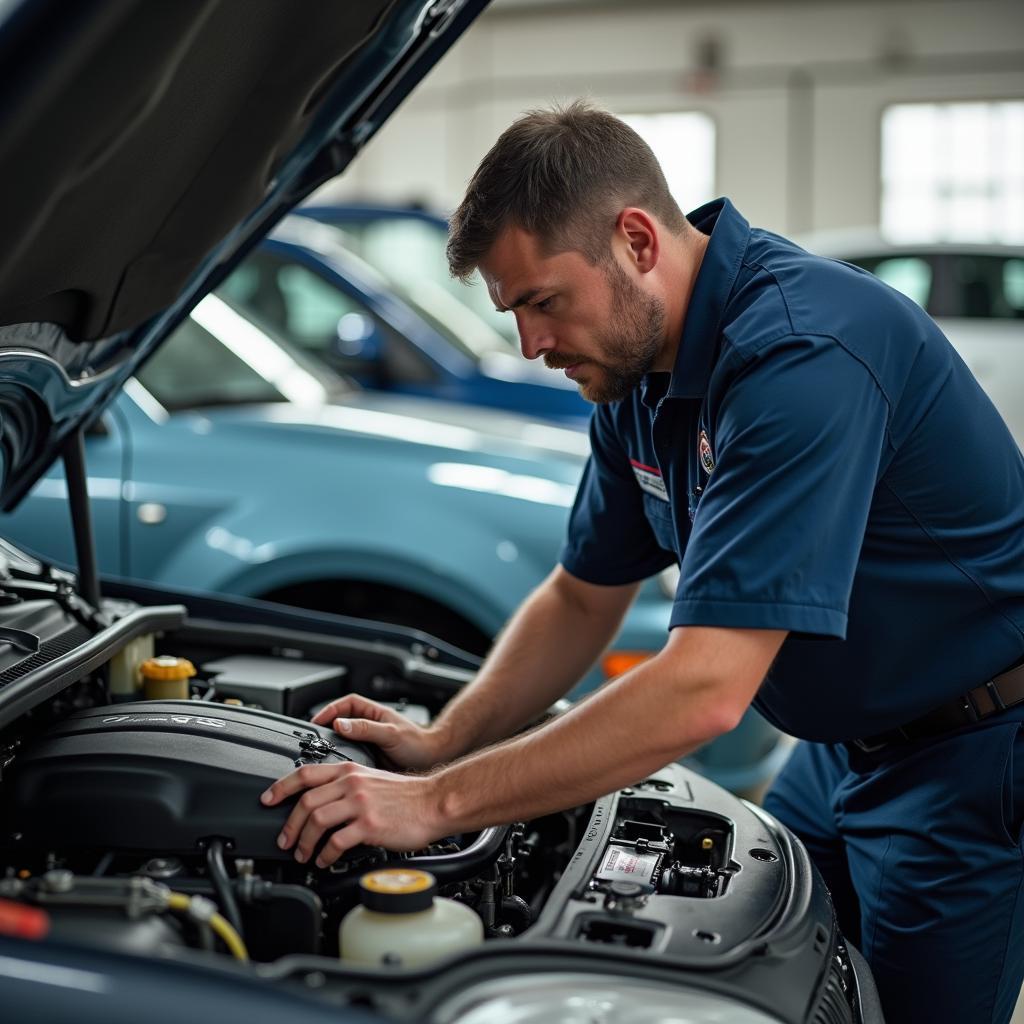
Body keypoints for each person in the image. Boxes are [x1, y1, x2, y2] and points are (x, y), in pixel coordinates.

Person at [261, 102, 1024, 1022]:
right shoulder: (637, 374)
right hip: (836, 747)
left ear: (635, 240)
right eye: (511, 314)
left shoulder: (802, 354)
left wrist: (435, 805)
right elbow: (582, 598)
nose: (531, 347)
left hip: (970, 760)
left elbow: (702, 691)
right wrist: (443, 741)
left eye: (543, 302)